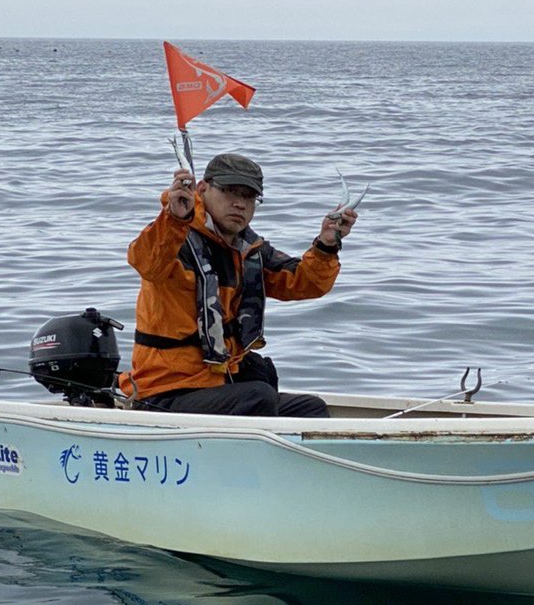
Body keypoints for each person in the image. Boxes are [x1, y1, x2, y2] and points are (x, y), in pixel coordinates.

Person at [118, 152, 358, 417]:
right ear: (202, 189)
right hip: (165, 390)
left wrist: (326, 244)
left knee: (310, 408)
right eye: (230, 192)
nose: (240, 204)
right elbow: (146, 263)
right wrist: (174, 217)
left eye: (248, 197)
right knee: (258, 396)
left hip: (220, 382)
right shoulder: (173, 237)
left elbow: (304, 283)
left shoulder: (248, 249)